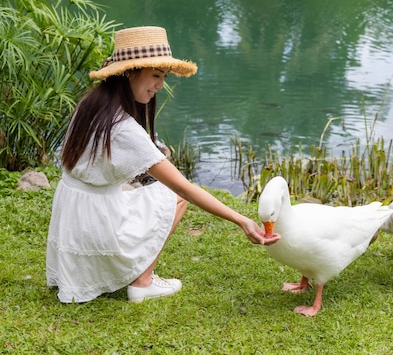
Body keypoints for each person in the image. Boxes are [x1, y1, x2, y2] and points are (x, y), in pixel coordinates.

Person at [46, 26, 279, 304]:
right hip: (97, 223)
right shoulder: (123, 128)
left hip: (73, 213)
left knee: (150, 188)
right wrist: (241, 220)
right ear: (130, 72)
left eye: (163, 77)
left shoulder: (92, 104)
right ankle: (143, 282)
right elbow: (185, 188)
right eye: (156, 76)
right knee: (176, 195)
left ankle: (104, 273)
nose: (160, 85)